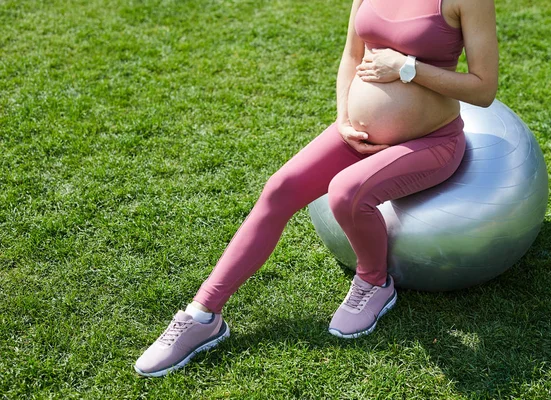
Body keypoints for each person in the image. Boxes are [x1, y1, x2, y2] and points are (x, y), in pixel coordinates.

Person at [135, 0, 498, 377]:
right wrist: (344, 118)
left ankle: (374, 282)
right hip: (354, 135)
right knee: (280, 188)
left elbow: (483, 89)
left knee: (345, 192)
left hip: (430, 142)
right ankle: (202, 314)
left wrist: (407, 68)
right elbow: (351, 57)